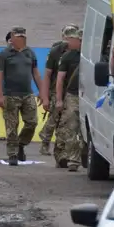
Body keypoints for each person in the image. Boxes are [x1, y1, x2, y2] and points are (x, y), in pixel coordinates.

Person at [0, 26, 43, 166]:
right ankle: (12, 154)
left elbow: (36, 73)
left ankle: (21, 144)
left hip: (27, 94)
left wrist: (42, 91)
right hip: (10, 94)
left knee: (32, 122)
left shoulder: (30, 53)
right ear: (12, 37)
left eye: (23, 36)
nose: (21, 39)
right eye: (18, 36)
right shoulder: (4, 54)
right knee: (11, 126)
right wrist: (0, 95)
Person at [39, 24, 78, 155]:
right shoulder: (56, 51)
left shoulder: (79, 51)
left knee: (65, 121)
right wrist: (45, 97)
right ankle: (45, 140)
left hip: (72, 90)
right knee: (54, 117)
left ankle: (62, 148)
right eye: (66, 37)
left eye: (72, 37)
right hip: (56, 89)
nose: (68, 40)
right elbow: (48, 74)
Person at [53, 28, 83, 171]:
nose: (69, 43)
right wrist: (59, 100)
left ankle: (83, 156)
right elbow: (60, 79)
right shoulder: (68, 56)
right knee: (71, 127)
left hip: (89, 95)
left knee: (85, 129)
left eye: (73, 40)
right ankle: (73, 160)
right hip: (73, 95)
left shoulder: (95, 56)